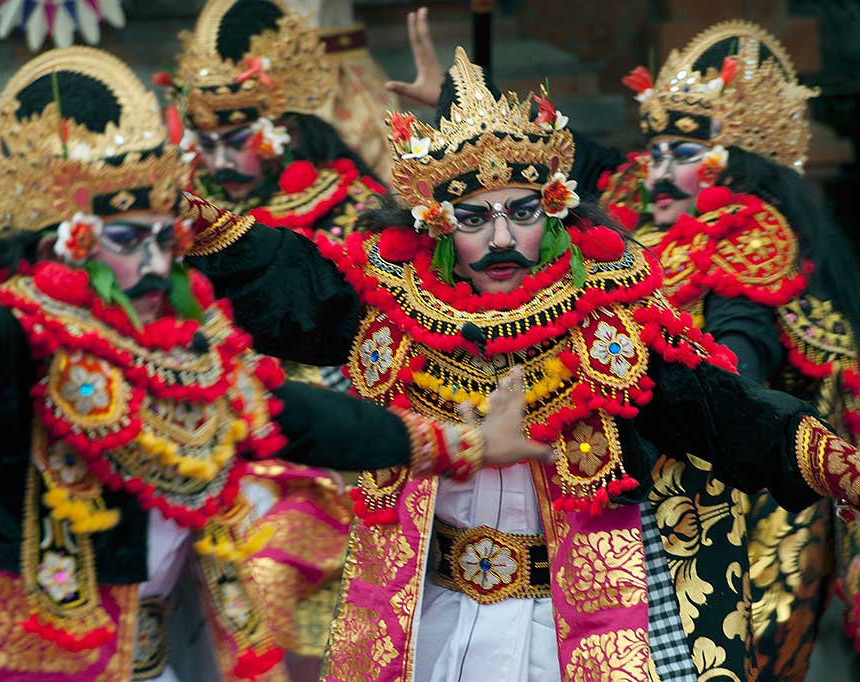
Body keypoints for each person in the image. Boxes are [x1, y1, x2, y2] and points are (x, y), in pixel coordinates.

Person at [0, 47, 546, 682]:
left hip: (156, 647)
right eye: (125, 238)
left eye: (163, 236)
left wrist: (471, 444)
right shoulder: (33, 331)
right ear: (74, 241)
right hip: (23, 658)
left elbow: (290, 417)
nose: (151, 261)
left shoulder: (187, 343)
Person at [180, 47, 860, 681]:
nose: (504, 238)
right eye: (475, 219)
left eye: (524, 213)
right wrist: (175, 217)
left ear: (556, 209)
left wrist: (839, 466)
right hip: (426, 618)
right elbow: (287, 278)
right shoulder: (390, 306)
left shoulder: (607, 321)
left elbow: (722, 410)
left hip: (574, 629)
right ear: (437, 224)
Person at [593, 21, 860, 678]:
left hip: (748, 519)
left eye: (683, 153)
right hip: (666, 500)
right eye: (654, 154)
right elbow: (593, 170)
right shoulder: (658, 242)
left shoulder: (743, 243)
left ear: (733, 165)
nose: (659, 174)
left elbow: (737, 363)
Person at [159, 0, 386, 247]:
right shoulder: (190, 206)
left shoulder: (350, 210)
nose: (222, 162)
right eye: (208, 145)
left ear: (286, 133)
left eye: (237, 142)